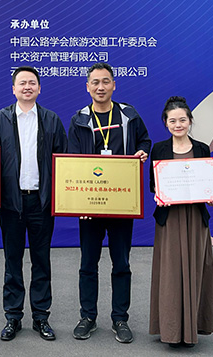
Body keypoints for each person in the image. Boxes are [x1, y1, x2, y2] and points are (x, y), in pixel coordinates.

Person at [68, 62, 151, 344]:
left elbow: (145, 141)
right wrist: (79, 204)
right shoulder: (79, 119)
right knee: (87, 264)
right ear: (87, 87)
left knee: (122, 263)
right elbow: (72, 162)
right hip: (90, 205)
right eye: (95, 82)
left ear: (114, 85)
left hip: (120, 202)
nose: (100, 87)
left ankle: (120, 319)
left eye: (106, 81)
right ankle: (87, 317)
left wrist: (142, 152)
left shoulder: (129, 115)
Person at [0, 66, 68, 342]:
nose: (27, 87)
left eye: (32, 83)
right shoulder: (0, 119)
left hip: (41, 202)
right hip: (11, 203)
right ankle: (13, 317)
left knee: (41, 261)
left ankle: (41, 317)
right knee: (12, 261)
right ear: (13, 89)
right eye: (22, 83)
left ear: (39, 88)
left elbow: (63, 160)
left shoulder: (51, 119)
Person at [148, 96, 213, 348]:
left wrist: (212, 196)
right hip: (170, 218)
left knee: (196, 269)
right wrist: (159, 195)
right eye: (172, 121)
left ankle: (192, 328)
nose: (178, 125)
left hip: (195, 218)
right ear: (166, 123)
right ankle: (170, 329)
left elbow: (209, 181)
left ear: (190, 121)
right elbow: (153, 184)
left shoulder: (202, 149)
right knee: (170, 273)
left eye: (182, 120)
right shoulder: (159, 149)